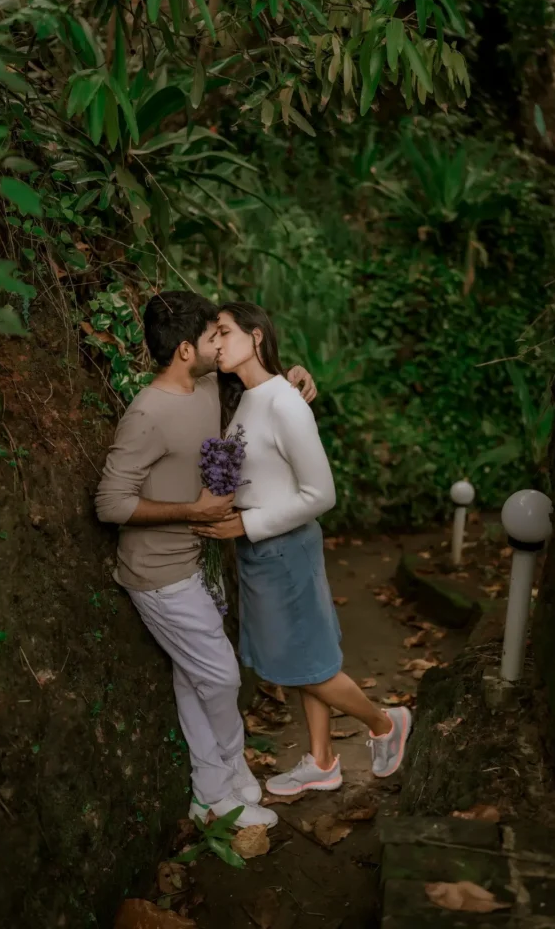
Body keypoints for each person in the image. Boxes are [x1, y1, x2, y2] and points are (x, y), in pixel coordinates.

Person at [95, 291, 317, 828]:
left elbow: (261, 385)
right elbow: (110, 503)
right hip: (158, 574)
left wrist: (296, 373)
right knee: (219, 676)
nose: (222, 343)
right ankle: (228, 776)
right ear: (186, 350)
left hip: (195, 564)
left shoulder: (207, 384)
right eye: (214, 336)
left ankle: (213, 789)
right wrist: (190, 509)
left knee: (194, 676)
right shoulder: (147, 414)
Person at [193, 301, 412, 797]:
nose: (218, 342)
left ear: (255, 336)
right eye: (213, 334)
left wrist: (246, 526)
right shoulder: (245, 397)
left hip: (283, 550)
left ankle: (385, 723)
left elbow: (321, 495)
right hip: (262, 552)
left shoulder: (284, 402)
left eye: (225, 331)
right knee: (304, 658)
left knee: (303, 664)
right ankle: (322, 760)